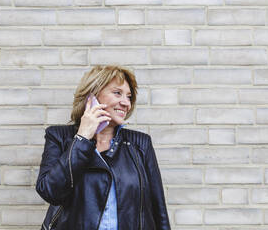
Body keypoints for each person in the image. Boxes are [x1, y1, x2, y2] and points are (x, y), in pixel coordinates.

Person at [36, 65, 171, 230]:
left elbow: (159, 209)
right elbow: (50, 191)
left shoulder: (140, 144)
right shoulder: (59, 137)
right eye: (117, 93)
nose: (125, 103)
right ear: (92, 95)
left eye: (129, 96)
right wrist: (82, 137)